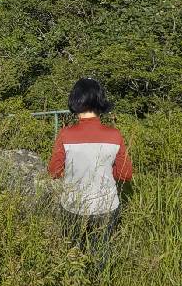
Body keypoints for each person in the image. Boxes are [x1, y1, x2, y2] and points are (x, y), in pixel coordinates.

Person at [48, 78, 133, 254]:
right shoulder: (114, 135)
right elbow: (125, 174)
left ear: (75, 101)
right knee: (100, 256)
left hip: (73, 207)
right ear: (100, 102)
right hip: (106, 208)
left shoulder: (65, 134)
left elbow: (54, 171)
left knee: (72, 255)